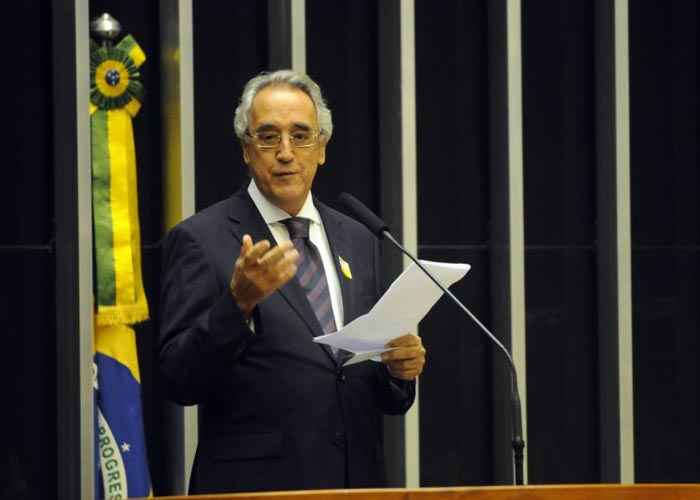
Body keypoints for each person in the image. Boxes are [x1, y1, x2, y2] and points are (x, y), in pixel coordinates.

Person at [159, 70, 426, 494]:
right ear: (247, 150)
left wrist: (397, 371)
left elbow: (369, 390)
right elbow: (177, 379)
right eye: (268, 137)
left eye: (301, 136)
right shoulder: (202, 239)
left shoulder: (357, 238)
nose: (286, 152)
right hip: (256, 487)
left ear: (322, 148)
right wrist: (237, 304)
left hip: (355, 483)